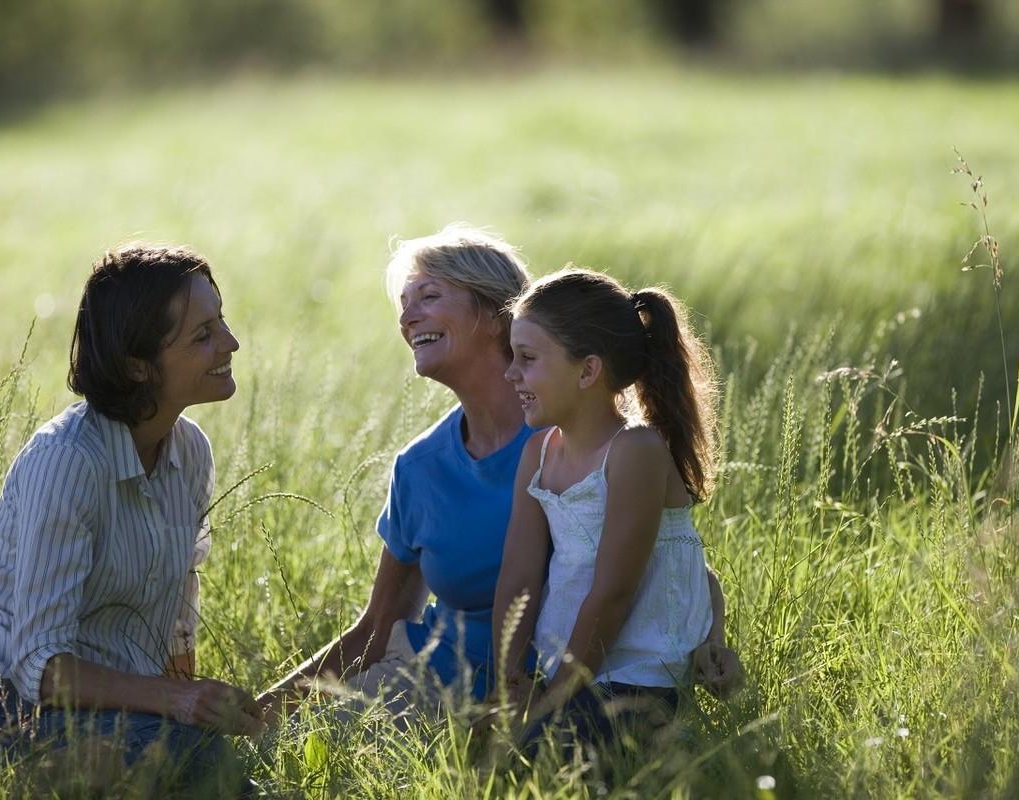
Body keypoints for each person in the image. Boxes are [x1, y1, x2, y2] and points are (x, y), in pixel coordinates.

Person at [260, 227, 739, 727]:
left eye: (428, 296)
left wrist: (711, 642)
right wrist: (261, 712)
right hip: (438, 681)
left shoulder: (587, 436)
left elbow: (667, 560)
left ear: (496, 315)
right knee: (311, 744)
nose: (406, 317)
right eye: (403, 303)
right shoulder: (423, 466)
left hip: (566, 690)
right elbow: (377, 627)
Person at [0, 245, 262, 796]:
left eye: (222, 321)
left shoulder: (190, 451)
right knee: (195, 761)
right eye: (203, 335)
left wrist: (190, 709)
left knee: (207, 756)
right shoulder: (67, 460)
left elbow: (175, 620)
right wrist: (179, 702)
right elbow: (41, 668)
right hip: (3, 711)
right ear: (138, 365)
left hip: (118, 712)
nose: (230, 342)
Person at [488, 266, 729, 755]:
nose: (511, 373)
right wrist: (509, 678)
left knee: (546, 759)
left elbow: (612, 594)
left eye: (527, 358)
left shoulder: (635, 450)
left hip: (638, 682)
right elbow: (518, 576)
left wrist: (551, 702)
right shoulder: (538, 454)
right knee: (490, 751)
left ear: (587, 371)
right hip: (570, 673)